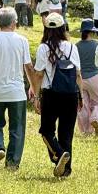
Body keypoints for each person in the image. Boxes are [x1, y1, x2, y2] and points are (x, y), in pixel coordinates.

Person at [0, 6, 35, 170]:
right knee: (17, 128)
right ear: (14, 22)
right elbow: (29, 67)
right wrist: (33, 86)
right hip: (17, 92)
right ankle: (12, 163)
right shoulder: (22, 40)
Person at [31, 12, 83, 177]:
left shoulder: (43, 48)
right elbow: (78, 74)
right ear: (63, 28)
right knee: (66, 133)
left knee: (46, 130)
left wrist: (36, 97)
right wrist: (80, 96)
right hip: (71, 94)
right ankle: (66, 170)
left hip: (51, 94)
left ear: (46, 29)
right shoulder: (72, 47)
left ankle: (59, 155)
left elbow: (39, 74)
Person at [75, 19, 98, 136]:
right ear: (92, 32)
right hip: (94, 76)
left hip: (80, 78)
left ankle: (86, 131)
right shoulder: (97, 45)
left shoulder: (76, 46)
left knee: (83, 104)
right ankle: (96, 118)